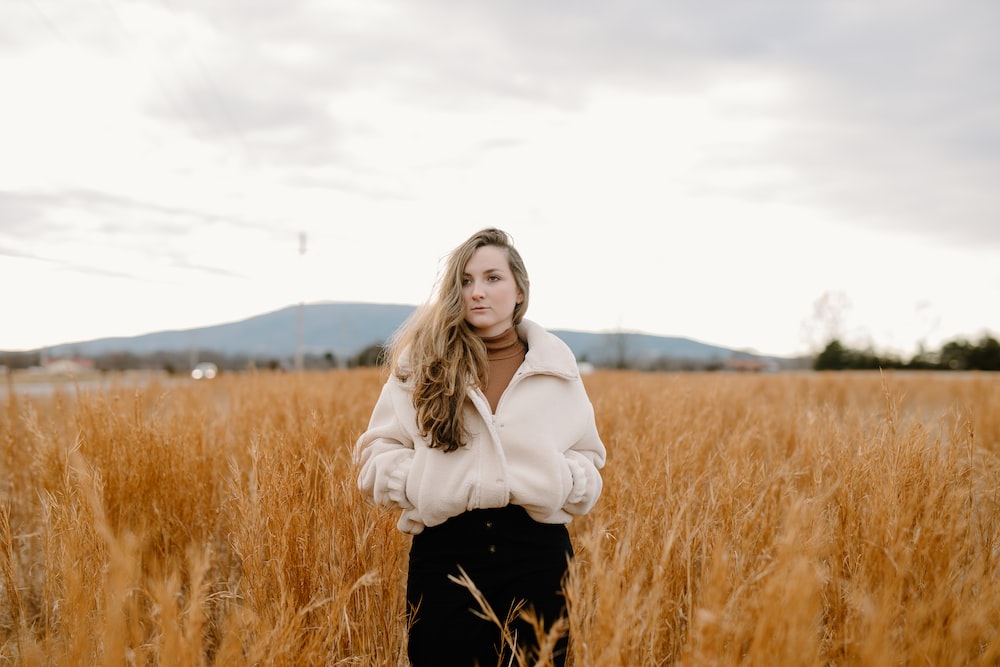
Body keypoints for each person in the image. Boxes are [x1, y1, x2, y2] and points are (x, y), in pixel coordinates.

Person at [354, 228, 606, 666]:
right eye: (465, 281)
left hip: (537, 555)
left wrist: (565, 480)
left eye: (492, 278)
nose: (477, 292)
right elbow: (378, 449)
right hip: (446, 554)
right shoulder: (422, 362)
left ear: (520, 290)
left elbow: (588, 453)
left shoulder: (555, 368)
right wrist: (418, 483)